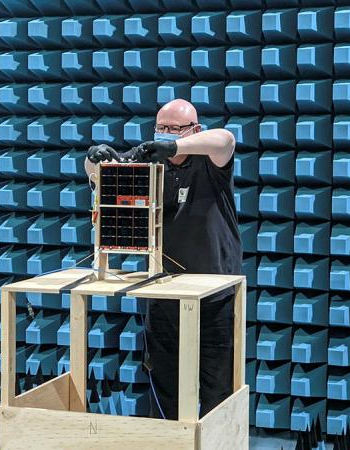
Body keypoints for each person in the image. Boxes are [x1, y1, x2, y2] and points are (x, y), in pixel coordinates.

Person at [84, 99, 243, 420]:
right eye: (161, 127)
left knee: (218, 389)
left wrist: (171, 145)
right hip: (163, 293)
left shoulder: (211, 163)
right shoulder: (147, 161)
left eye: (174, 128)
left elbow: (225, 139)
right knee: (165, 385)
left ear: (193, 130)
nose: (165, 133)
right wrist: (93, 159)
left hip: (216, 293)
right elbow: (99, 173)